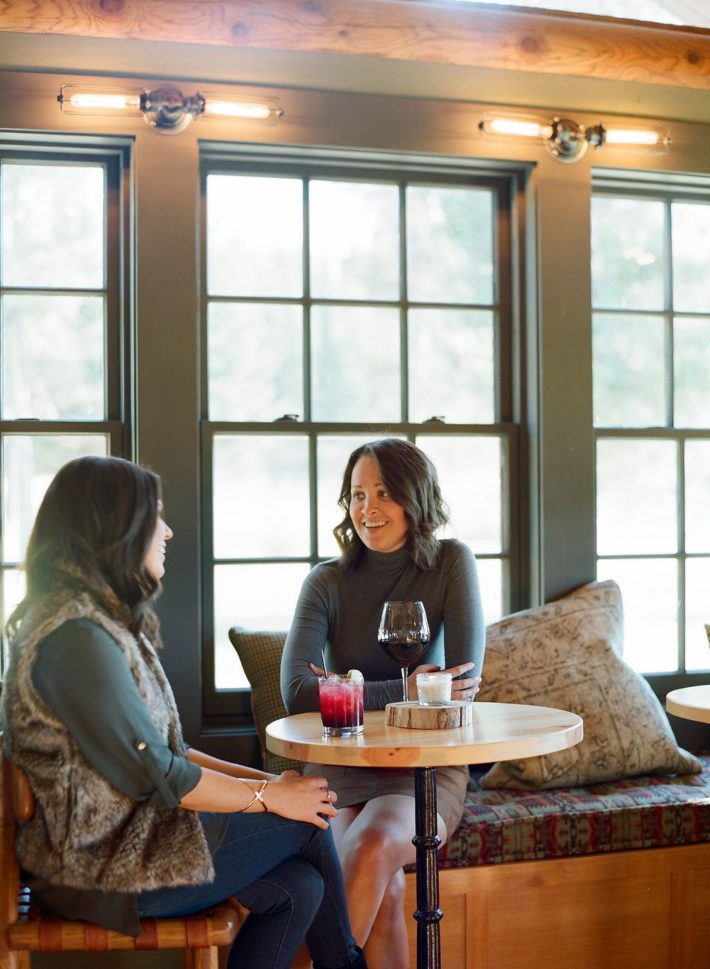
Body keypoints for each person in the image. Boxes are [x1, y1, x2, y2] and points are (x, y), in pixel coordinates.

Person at [1, 455, 366, 969]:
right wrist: (272, 798)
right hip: (100, 870)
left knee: (298, 886)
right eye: (157, 517)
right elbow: (160, 775)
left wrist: (270, 784)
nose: (168, 532)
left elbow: (171, 751)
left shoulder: (101, 624)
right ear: (116, 527)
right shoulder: (75, 640)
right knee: (311, 823)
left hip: (130, 845)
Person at [281, 438, 485, 969]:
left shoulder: (451, 563)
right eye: (357, 495)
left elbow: (460, 687)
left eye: (383, 493)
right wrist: (406, 691)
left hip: (422, 766)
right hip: (341, 761)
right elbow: (298, 692)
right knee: (384, 888)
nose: (367, 509)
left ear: (414, 499)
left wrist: (347, 689)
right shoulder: (325, 581)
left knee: (372, 850)